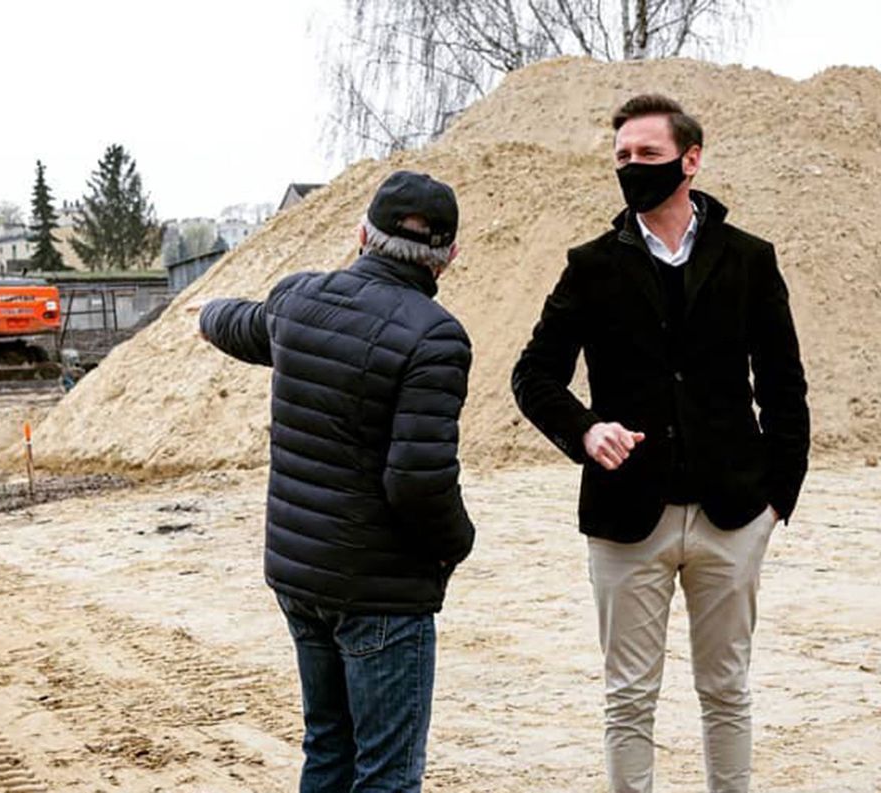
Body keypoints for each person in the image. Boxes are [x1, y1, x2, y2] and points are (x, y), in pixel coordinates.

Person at [511, 94, 810, 793]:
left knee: (727, 690)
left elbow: (785, 386)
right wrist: (585, 428)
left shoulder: (749, 260)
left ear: (690, 160)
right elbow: (532, 374)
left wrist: (777, 502)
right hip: (625, 518)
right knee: (628, 697)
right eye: (622, 157)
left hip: (733, 514)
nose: (632, 167)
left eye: (647, 154)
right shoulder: (590, 266)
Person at [195, 170, 475, 791]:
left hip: (299, 576)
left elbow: (242, 324)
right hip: (382, 590)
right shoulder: (436, 337)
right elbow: (419, 483)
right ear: (449, 258)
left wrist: (205, 312)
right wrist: (459, 543)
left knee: (328, 749)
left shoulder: (297, 302)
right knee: (387, 774)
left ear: (361, 234)